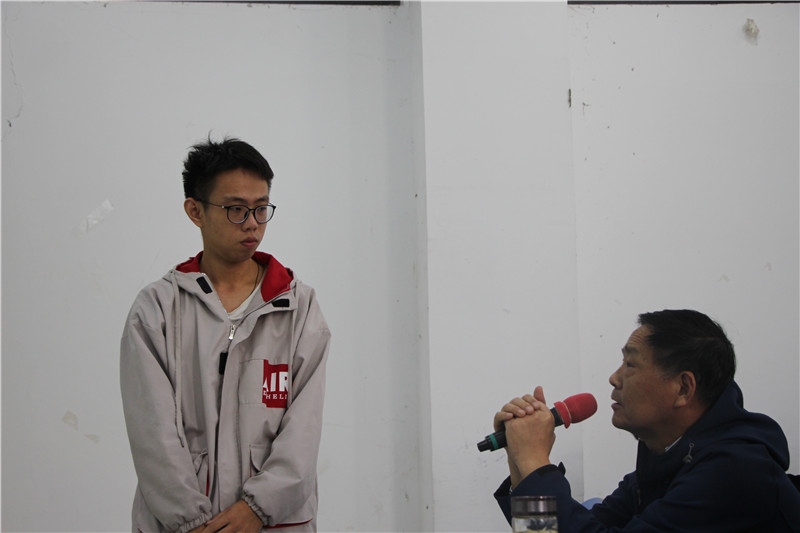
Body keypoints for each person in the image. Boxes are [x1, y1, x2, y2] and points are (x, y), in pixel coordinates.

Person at [121, 137, 331, 533]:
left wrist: (257, 509)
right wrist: (193, 522)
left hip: (275, 523)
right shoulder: (158, 309)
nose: (252, 223)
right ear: (195, 211)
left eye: (261, 208)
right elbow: (152, 434)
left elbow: (304, 428)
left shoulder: (299, 308)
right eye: (236, 209)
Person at [493, 309, 800, 532]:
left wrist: (535, 462)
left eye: (630, 364)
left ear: (683, 388)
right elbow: (551, 531)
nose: (614, 378)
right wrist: (520, 461)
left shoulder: (733, 472)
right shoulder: (667, 460)